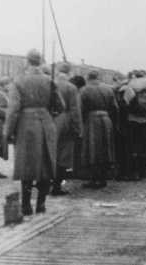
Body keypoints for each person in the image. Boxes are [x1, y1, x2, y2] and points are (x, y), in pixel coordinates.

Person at [4, 49, 60, 215]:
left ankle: (26, 206)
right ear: (40, 61)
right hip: (46, 123)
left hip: (26, 125)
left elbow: (13, 109)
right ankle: (41, 205)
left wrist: (8, 131)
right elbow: (60, 105)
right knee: (46, 163)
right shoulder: (49, 80)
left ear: (27, 61)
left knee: (26, 164)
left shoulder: (18, 81)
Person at [80, 70, 118, 188]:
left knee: (92, 149)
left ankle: (94, 178)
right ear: (98, 77)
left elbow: (80, 108)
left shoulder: (84, 89)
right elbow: (115, 108)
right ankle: (103, 178)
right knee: (105, 148)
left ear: (88, 78)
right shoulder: (108, 89)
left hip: (91, 120)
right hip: (106, 120)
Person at [51, 62, 82, 195]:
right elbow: (75, 110)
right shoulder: (71, 88)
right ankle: (57, 187)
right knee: (64, 155)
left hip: (49, 120)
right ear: (69, 72)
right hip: (65, 122)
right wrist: (77, 128)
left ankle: (46, 183)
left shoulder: (50, 84)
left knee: (50, 153)